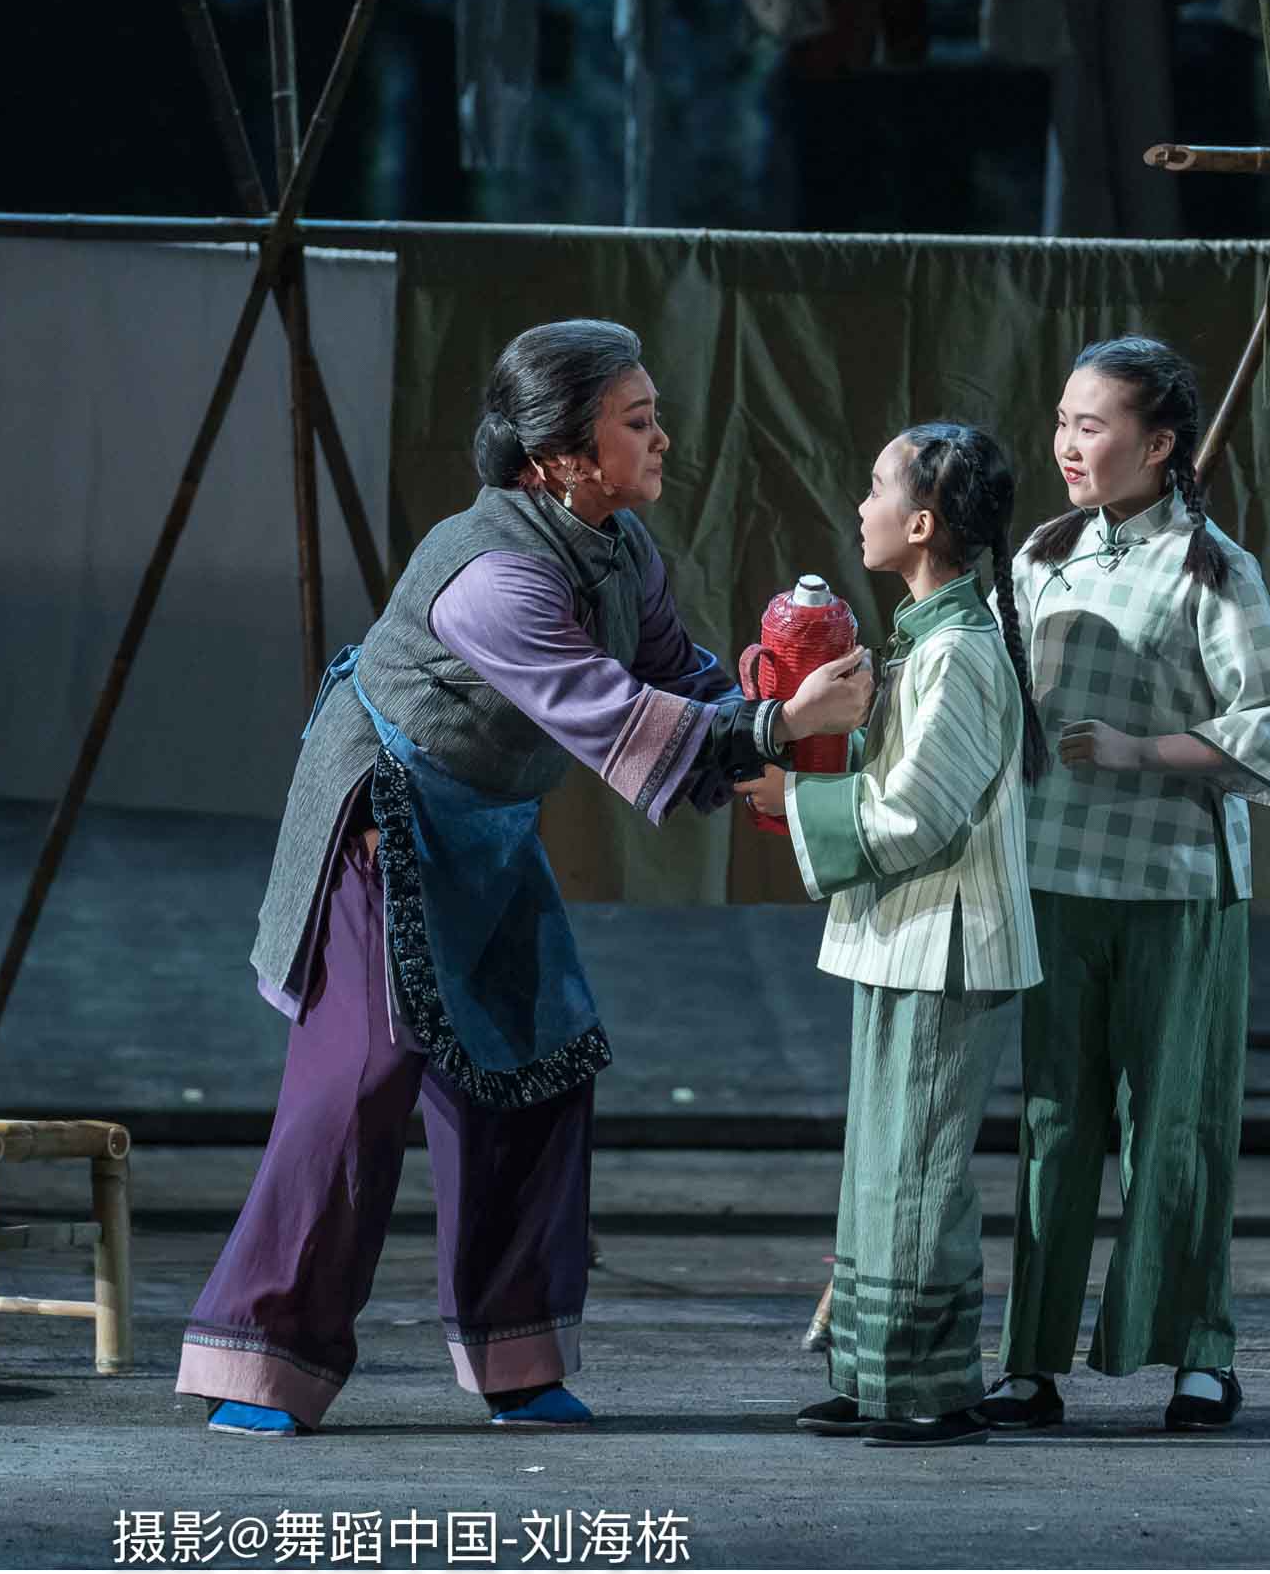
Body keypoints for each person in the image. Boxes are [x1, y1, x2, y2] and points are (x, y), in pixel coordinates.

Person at [176, 319, 873, 1436]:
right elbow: (613, 717)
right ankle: (260, 1358)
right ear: (561, 456)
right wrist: (779, 725)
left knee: (540, 1061)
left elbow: (681, 675)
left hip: (486, 827)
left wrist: (779, 723)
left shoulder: (620, 547)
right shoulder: (492, 575)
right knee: (359, 1082)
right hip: (383, 817)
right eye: (637, 421)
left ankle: (517, 1358)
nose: (662, 437)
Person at [983, 337, 1270, 1433]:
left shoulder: (1213, 567)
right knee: (1054, 1122)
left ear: (1159, 443)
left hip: (1174, 884)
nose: (1068, 444)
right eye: (1063, 421)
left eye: (1093, 425)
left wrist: (1140, 749)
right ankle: (1029, 1360)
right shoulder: (1043, 555)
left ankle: (1196, 1352)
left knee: (1177, 1120)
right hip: (1056, 875)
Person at [736, 423, 1046, 1450]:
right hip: (907, 933)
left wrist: (795, 794)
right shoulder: (926, 638)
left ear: (920, 524)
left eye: (876, 486)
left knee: (918, 1169)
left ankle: (931, 1384)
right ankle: (878, 1373)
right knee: (880, 1164)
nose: (861, 505)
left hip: (948, 941)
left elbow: (919, 813)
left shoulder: (959, 650)